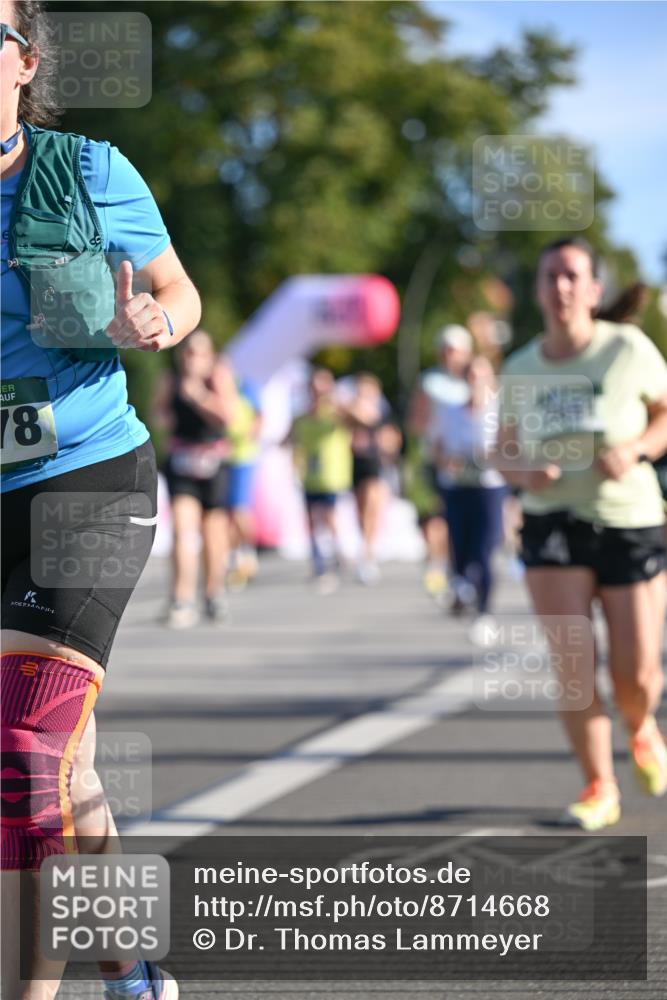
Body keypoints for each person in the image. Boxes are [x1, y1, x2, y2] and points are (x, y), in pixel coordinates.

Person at [1, 3, 200, 997]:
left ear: (24, 61)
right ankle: (126, 964)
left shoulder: (87, 172)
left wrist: (154, 318)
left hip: (84, 478)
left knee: (22, 749)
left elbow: (182, 290)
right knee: (67, 767)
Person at [498, 236, 667, 831]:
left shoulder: (627, 349)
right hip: (552, 523)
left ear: (594, 289)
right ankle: (599, 784)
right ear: (539, 289)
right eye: (550, 276)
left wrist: (639, 449)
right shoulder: (519, 367)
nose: (561, 287)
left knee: (638, 671)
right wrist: (525, 472)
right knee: (573, 666)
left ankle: (642, 725)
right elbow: (501, 452)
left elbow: (666, 412)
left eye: (572, 276)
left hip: (629, 518)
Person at [152, 333, 236, 626]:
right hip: (182, 461)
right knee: (182, 530)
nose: (191, 358)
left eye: (198, 353)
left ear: (210, 356)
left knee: (213, 534)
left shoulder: (219, 376)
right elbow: (158, 412)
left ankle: (213, 592)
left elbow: (229, 417)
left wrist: (199, 396)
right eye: (187, 352)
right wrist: (166, 417)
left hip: (213, 461)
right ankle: (181, 597)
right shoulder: (171, 379)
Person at [430, 353, 506, 641]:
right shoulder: (449, 412)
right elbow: (435, 446)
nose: (475, 380)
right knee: (460, 546)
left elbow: (513, 447)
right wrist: (447, 460)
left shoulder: (499, 411)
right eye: (470, 375)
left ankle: (484, 613)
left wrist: (494, 457)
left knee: (485, 548)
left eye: (481, 374)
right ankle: (462, 586)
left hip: (489, 487)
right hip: (457, 486)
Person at [408, 325, 474, 600]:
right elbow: (416, 422)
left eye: (455, 350)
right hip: (436, 460)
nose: (450, 356)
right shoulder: (430, 382)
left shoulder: (474, 381)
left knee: (460, 522)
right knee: (436, 518)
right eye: (446, 350)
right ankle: (438, 566)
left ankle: (459, 571)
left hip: (469, 463)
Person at [288, 368, 353, 593]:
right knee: (312, 521)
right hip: (310, 476)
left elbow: (362, 419)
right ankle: (319, 562)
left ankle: (337, 555)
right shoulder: (302, 417)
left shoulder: (338, 413)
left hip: (333, 476)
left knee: (329, 516)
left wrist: (337, 401)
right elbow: (290, 439)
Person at [347, 373, 388, 585]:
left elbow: (373, 422)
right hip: (355, 462)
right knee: (361, 510)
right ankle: (365, 546)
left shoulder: (379, 410)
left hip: (374, 462)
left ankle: (369, 552)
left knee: (373, 506)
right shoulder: (349, 409)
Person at [224, 375, 262, 591]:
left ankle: (248, 552)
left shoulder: (246, 388)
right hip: (222, 457)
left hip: (243, 458)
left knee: (239, 510)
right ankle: (235, 558)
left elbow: (260, 417)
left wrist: (248, 436)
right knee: (226, 513)